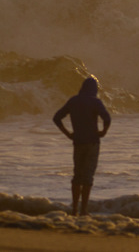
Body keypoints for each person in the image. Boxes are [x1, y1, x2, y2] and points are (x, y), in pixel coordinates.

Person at [53, 75, 112, 216]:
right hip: (92, 142)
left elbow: (57, 117)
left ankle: (74, 210)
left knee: (77, 176)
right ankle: (84, 210)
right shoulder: (95, 102)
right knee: (88, 177)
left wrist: (68, 134)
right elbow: (107, 118)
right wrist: (103, 131)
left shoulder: (73, 101)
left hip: (78, 142)